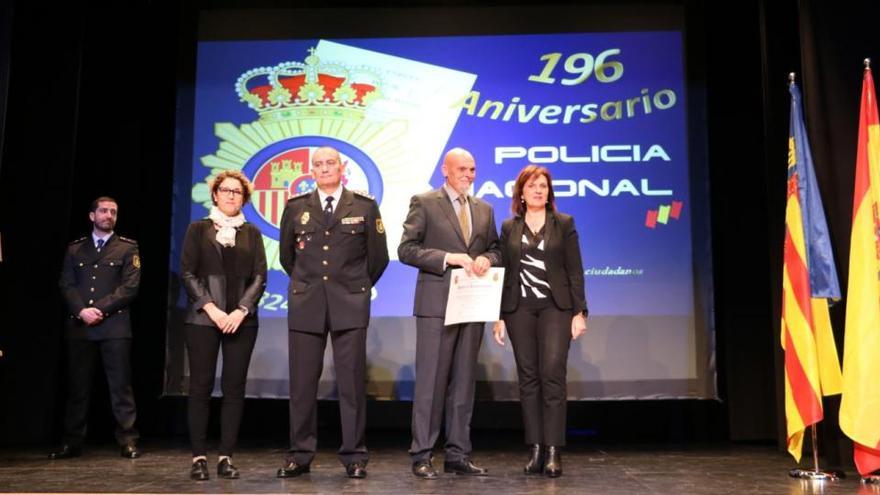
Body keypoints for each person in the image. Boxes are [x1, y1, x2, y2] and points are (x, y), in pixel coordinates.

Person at [276, 146, 389, 479]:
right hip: (306, 303)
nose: (324, 168)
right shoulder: (296, 208)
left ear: (343, 168)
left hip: (350, 304)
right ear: (312, 171)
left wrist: (354, 288)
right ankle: (300, 453)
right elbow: (287, 257)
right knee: (302, 384)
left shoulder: (364, 206)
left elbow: (377, 258)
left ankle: (354, 455)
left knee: (352, 384)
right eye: (318, 164)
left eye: (330, 163)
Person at [398, 147, 501, 479]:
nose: (469, 175)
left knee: (463, 384)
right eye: (462, 169)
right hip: (435, 307)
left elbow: (496, 249)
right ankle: (422, 454)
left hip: (471, 305)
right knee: (430, 382)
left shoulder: (484, 209)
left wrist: (489, 259)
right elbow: (406, 249)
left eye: (472, 169)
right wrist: (448, 258)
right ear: (446, 169)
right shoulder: (425, 202)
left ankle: (458, 453)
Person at [491, 165, 588, 478]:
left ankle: (553, 451)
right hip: (518, 309)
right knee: (529, 378)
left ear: (549, 192)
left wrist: (579, 312)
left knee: (552, 375)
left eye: (543, 186)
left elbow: (575, 270)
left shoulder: (564, 223)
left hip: (555, 309)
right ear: (521, 191)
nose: (538, 190)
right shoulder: (509, 227)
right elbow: (503, 273)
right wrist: (499, 317)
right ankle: (534, 448)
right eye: (532, 186)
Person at [180, 170, 267, 480]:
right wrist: (212, 309)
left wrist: (241, 310)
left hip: (242, 322)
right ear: (215, 195)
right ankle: (199, 457)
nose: (231, 195)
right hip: (203, 319)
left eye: (237, 192)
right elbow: (188, 273)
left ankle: (226, 456)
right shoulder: (198, 229)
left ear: (244, 198)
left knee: (234, 389)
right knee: (200, 388)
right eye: (226, 190)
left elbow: (260, 276)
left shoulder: (252, 232)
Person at [51, 197, 141, 460]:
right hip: (80, 326)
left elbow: (130, 287)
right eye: (103, 211)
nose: (108, 215)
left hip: (114, 326)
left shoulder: (127, 248)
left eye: (113, 211)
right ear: (92, 216)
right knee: (77, 387)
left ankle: (128, 440)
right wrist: (81, 311)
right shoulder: (75, 249)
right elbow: (66, 284)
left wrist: (99, 309)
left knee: (120, 386)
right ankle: (72, 442)